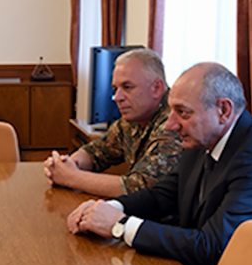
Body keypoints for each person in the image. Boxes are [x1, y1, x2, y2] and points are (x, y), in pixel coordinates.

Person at [67, 62, 252, 265]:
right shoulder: (203, 138)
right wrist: (104, 208)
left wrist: (120, 225)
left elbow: (213, 247)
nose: (171, 125)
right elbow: (163, 195)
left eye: (182, 112)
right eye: (171, 110)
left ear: (223, 110)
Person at [44, 48, 183, 197]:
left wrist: (71, 177)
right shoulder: (134, 118)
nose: (117, 97)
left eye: (127, 87)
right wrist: (68, 164)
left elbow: (140, 187)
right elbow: (98, 151)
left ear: (156, 88)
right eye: (115, 89)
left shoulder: (174, 122)